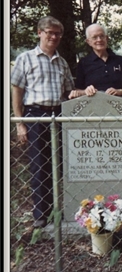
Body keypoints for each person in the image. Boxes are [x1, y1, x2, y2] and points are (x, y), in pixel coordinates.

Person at [11, 16, 75, 228]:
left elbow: (69, 92)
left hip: (58, 116)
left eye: (57, 33)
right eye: (50, 32)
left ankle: (66, 208)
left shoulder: (62, 62)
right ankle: (41, 213)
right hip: (35, 116)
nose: (54, 37)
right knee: (39, 165)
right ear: (39, 32)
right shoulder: (25, 59)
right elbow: (17, 91)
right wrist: (20, 123)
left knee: (61, 164)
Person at [68, 23, 122, 99]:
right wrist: (86, 91)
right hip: (93, 108)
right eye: (94, 37)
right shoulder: (83, 63)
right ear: (88, 42)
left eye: (102, 36)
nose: (99, 40)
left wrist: (119, 91)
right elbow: (78, 90)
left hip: (120, 106)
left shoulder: (120, 61)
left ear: (107, 38)